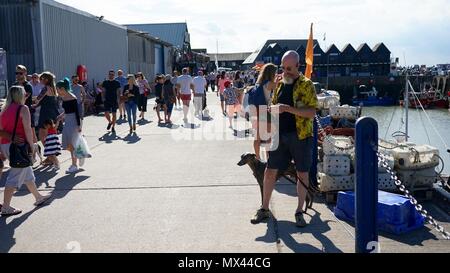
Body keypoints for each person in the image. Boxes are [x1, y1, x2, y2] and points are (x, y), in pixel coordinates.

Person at [251, 51, 318, 228]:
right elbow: (274, 105)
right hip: (279, 136)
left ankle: (298, 212)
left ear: (298, 66)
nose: (285, 71)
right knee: (270, 171)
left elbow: (311, 112)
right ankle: (264, 209)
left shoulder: (307, 85)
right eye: (283, 67)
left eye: (289, 68)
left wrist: (287, 109)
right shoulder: (279, 84)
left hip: (301, 136)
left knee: (302, 174)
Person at [0, 86, 51, 216]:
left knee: (27, 174)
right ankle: (5, 207)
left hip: (6, 145)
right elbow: (28, 129)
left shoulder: (4, 109)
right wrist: (32, 145)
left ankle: (38, 197)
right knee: (14, 177)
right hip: (19, 147)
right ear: (20, 95)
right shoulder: (23, 109)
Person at [56, 78, 84, 174]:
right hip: (67, 121)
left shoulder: (73, 97)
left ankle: (74, 165)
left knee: (72, 144)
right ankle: (79, 155)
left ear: (62, 88)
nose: (57, 92)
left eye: (58, 89)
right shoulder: (64, 98)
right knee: (66, 143)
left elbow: (76, 112)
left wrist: (79, 126)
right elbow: (67, 110)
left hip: (74, 122)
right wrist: (61, 116)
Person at [250, 63, 277, 160]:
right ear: (272, 73)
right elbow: (282, 85)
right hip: (264, 111)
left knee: (257, 136)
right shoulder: (269, 84)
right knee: (268, 137)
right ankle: (268, 158)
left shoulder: (258, 83)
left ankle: (258, 157)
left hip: (255, 111)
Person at [14, 65, 40, 160]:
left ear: (25, 73)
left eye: (20, 73)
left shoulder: (27, 86)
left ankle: (34, 155)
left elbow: (22, 100)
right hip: (16, 114)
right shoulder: (14, 85)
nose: (18, 75)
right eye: (16, 73)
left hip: (27, 113)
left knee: (32, 135)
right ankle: (22, 155)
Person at [33, 72, 59, 148]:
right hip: (53, 114)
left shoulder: (45, 88)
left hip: (45, 114)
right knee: (50, 136)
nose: (40, 80)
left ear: (46, 80)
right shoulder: (53, 89)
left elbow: (38, 99)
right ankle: (51, 154)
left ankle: (51, 155)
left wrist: (30, 99)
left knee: (41, 135)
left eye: (41, 78)